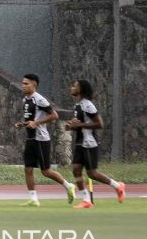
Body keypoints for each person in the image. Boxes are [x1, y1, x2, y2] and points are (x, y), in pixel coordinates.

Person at [15, 73, 76, 206]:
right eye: (23, 83)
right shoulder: (25, 100)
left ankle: (68, 185)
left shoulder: (40, 99)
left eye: (26, 83)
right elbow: (31, 119)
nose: (23, 86)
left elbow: (54, 115)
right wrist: (22, 124)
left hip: (41, 139)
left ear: (34, 85)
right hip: (30, 138)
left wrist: (37, 123)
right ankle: (33, 198)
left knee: (45, 171)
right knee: (28, 168)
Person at [64, 79, 126, 209]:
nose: (72, 87)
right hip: (80, 143)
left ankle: (118, 186)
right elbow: (79, 124)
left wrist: (79, 124)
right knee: (76, 170)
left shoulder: (88, 105)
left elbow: (99, 124)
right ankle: (86, 199)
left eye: (74, 85)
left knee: (92, 174)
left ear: (81, 89)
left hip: (89, 143)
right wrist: (71, 126)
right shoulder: (77, 105)